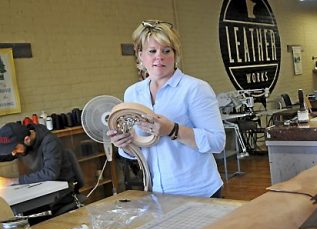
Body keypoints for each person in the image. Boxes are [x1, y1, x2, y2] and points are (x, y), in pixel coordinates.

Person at [107, 20, 225, 198]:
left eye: (166, 50)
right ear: (140, 55)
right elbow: (138, 148)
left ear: (175, 54)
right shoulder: (133, 93)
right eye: (152, 51)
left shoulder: (195, 89)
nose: (159, 57)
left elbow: (217, 142)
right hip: (159, 192)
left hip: (199, 191)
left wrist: (173, 130)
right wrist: (124, 143)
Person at [0, 122, 78, 215]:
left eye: (15, 149)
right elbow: (7, 155)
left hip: (60, 194)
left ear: (27, 139)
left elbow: (50, 173)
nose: (13, 153)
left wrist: (13, 181)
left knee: (21, 216)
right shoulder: (23, 143)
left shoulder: (50, 142)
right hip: (40, 189)